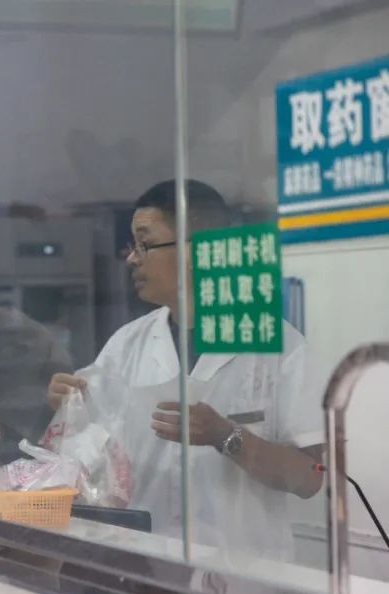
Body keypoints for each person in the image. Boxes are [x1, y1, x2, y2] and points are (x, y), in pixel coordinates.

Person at [46, 181, 324, 561]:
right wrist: (68, 404)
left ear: (196, 250)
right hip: (145, 567)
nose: (131, 259)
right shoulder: (127, 345)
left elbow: (310, 477)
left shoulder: (278, 347)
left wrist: (228, 436)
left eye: (144, 244)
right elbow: (92, 458)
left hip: (246, 572)